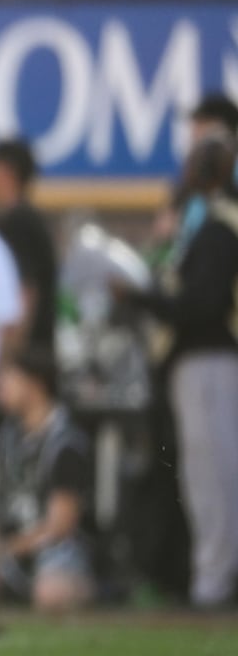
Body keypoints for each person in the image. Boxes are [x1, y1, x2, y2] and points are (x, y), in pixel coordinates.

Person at [123, 131, 238, 610]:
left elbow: (202, 304)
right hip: (200, 361)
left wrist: (143, 298)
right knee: (203, 471)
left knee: (214, 473)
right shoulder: (206, 224)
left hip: (211, 358)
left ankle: (215, 578)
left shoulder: (216, 226)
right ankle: (211, 573)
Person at [0, 349, 96, 613]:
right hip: (13, 553)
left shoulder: (65, 443)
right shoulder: (8, 437)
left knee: (51, 593)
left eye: (9, 380)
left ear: (35, 384)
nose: (2, 389)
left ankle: (89, 589)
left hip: (56, 553)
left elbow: (60, 527)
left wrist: (2, 548)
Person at [0, 138, 58, 351]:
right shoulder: (15, 220)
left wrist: (8, 358)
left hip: (26, 358)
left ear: (5, 172)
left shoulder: (18, 222)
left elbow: (25, 293)